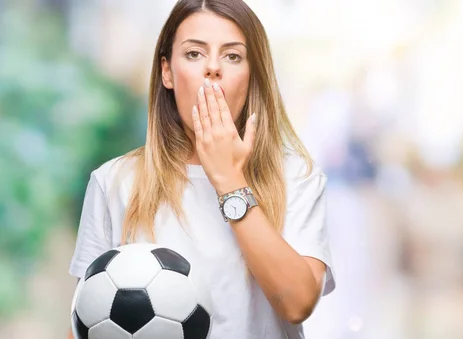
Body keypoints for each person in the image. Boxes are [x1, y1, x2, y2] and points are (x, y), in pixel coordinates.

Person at [66, 0, 335, 338]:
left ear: (253, 76)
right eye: (194, 54)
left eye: (232, 56)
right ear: (167, 72)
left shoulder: (296, 176)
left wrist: (229, 180)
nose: (213, 68)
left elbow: (297, 303)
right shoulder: (114, 182)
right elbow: (87, 321)